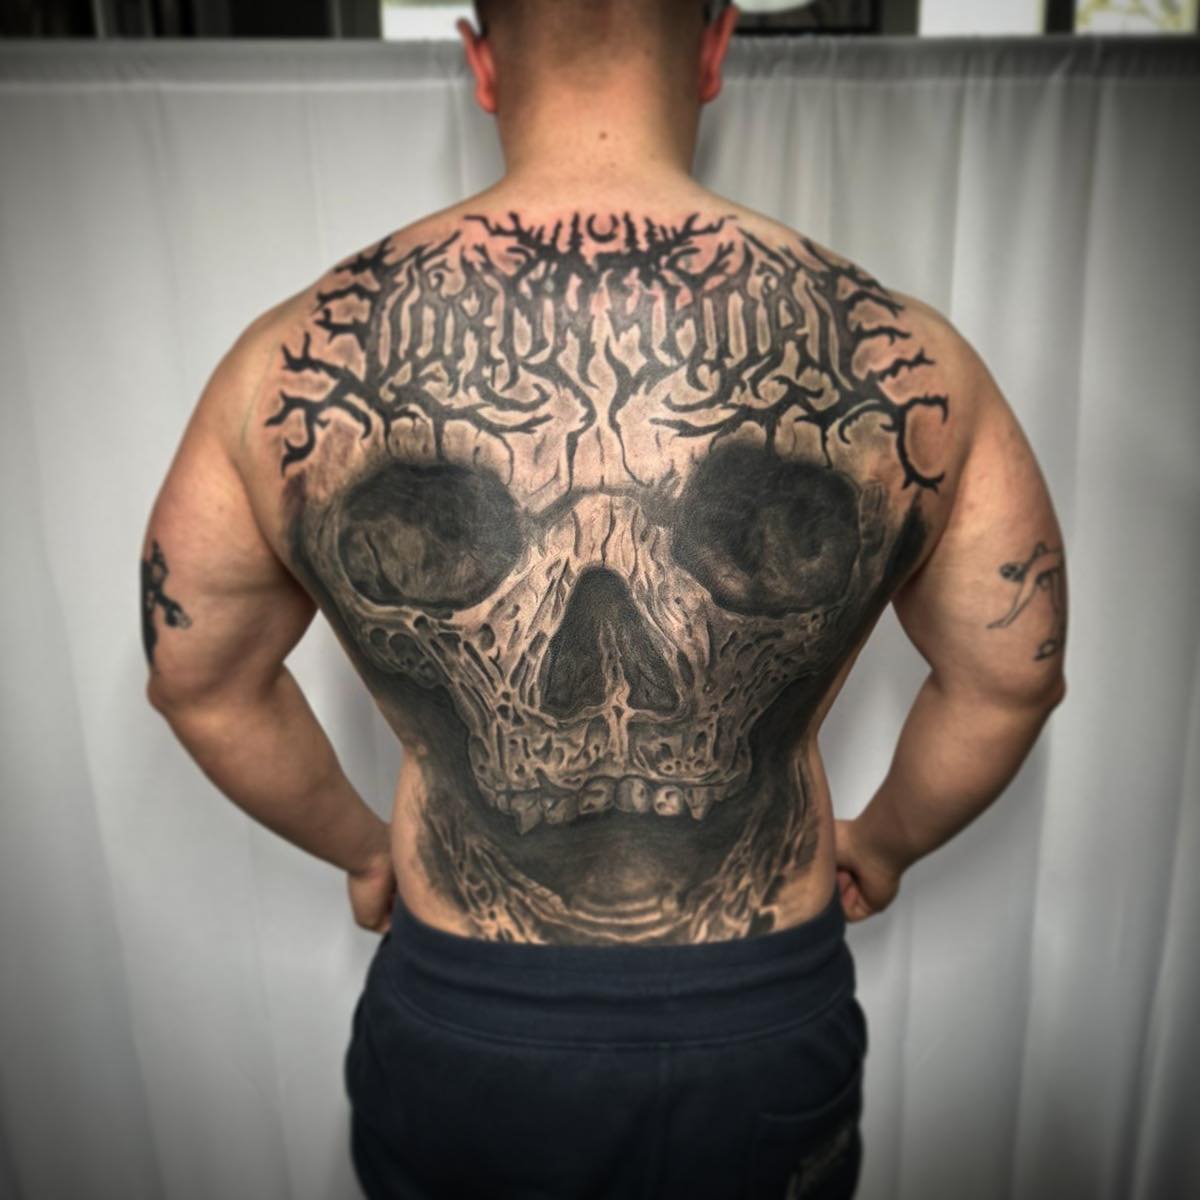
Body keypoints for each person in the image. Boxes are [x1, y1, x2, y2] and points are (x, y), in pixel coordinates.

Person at [141, 0, 1068, 1194]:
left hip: (464, 1022)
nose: (614, 681)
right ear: (715, 45)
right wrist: (881, 846)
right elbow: (1012, 675)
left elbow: (197, 677)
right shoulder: (907, 359)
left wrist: (367, 852)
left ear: (481, 60)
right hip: (758, 1021)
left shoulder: (284, 368)